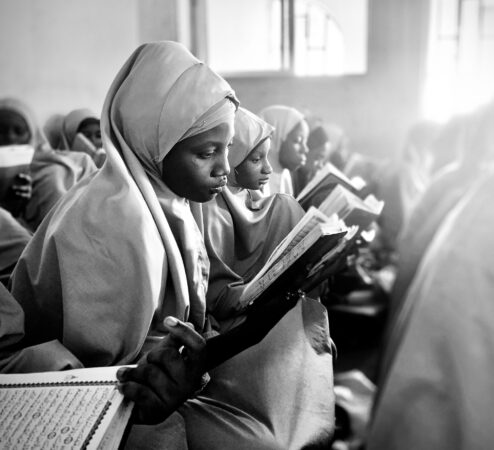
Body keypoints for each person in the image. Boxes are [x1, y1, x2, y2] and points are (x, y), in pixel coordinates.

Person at [0, 98, 97, 230]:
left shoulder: (53, 174)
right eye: (1, 131)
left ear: (32, 134)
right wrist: (8, 209)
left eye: (19, 131)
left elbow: (56, 234)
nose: (10, 138)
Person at [258, 105, 309, 195]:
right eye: (298, 141)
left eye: (305, 142)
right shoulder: (253, 183)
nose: (305, 149)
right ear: (274, 138)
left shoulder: (285, 175)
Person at [292, 124, 332, 196]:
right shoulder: (289, 177)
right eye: (318, 157)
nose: (320, 166)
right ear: (306, 150)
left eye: (323, 161)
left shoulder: (304, 179)